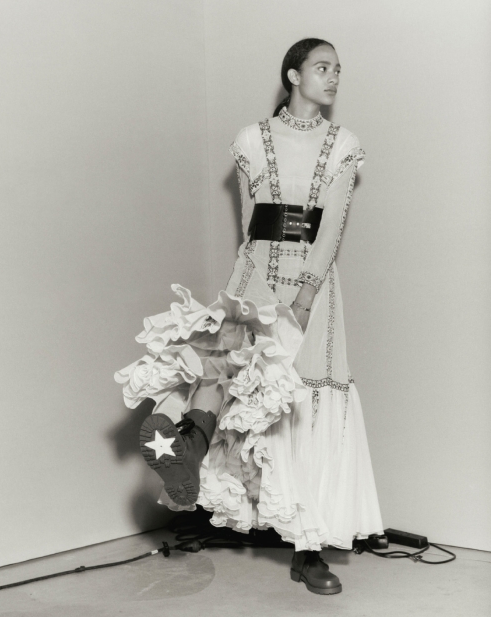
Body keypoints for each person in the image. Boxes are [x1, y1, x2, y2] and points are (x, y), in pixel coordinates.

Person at [115, 38, 384, 595]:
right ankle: (188, 458)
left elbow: (331, 227)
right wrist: (253, 287)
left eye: (338, 70)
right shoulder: (249, 140)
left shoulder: (343, 144)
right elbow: (249, 220)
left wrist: (305, 294)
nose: (334, 77)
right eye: (323, 67)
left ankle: (308, 547)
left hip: (313, 283)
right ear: (294, 75)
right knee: (223, 372)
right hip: (255, 271)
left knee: (302, 401)